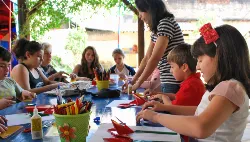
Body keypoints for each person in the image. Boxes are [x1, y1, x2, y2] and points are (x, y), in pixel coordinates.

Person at [136, 24, 250, 141]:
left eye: (200, 60)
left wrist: (156, 117)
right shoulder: (226, 87)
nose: (197, 66)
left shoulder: (230, 88)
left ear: (219, 56)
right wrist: (164, 107)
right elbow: (199, 111)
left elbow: (201, 127)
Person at [149, 43, 206, 142]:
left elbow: (173, 109)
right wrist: (161, 94)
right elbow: (177, 97)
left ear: (184, 67)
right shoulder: (192, 81)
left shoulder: (190, 85)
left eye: (172, 67)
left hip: (187, 136)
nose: (170, 71)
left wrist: (164, 98)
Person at [125, 0, 184, 94]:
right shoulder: (156, 29)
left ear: (149, 9)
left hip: (173, 79)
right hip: (166, 78)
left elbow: (155, 58)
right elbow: (147, 58)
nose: (140, 16)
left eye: (140, 11)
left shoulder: (166, 23)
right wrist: (133, 81)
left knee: (167, 107)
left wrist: (138, 83)